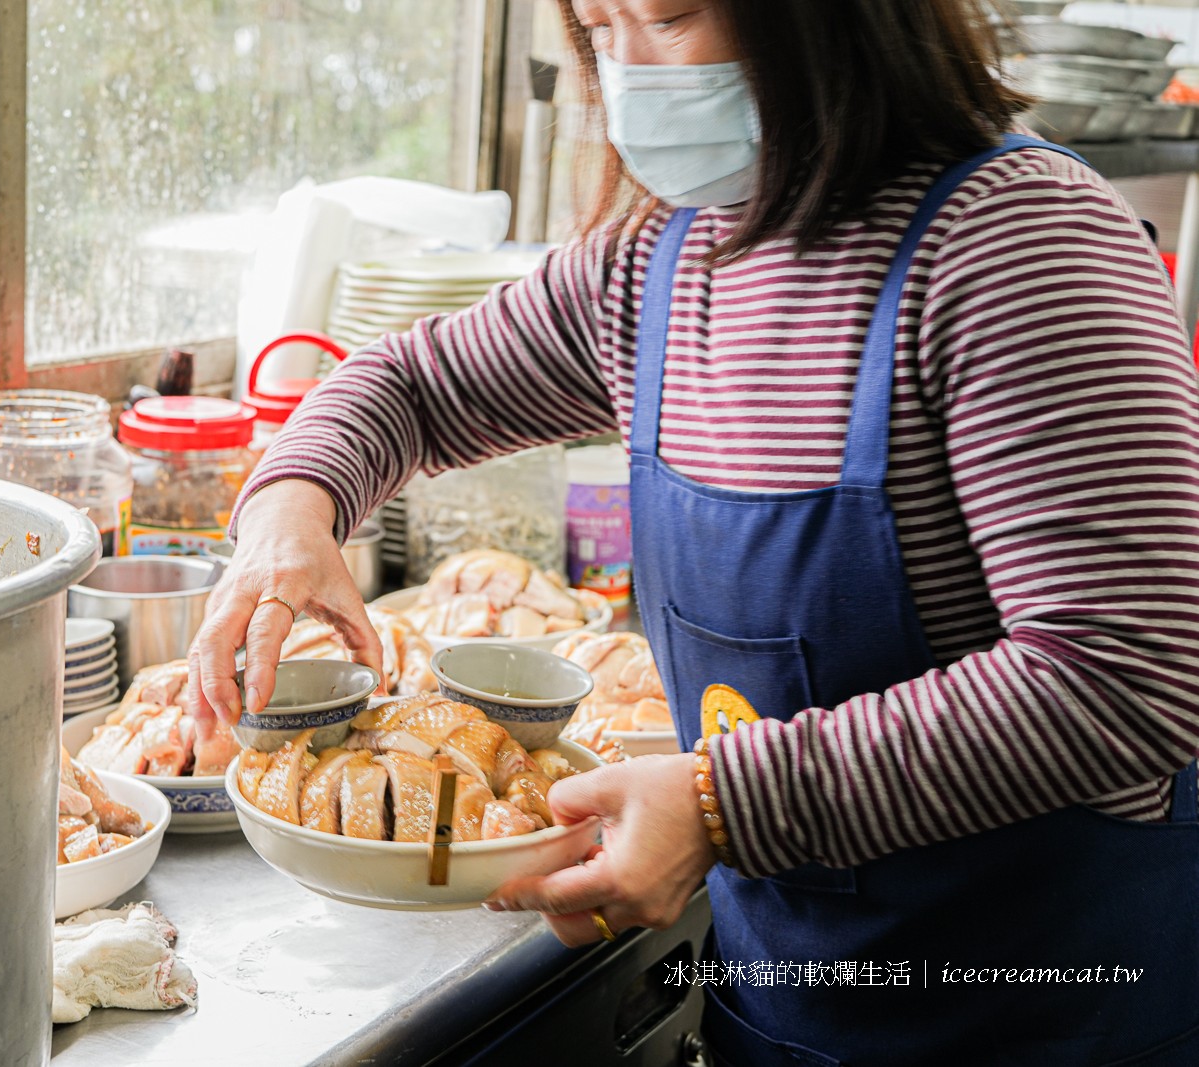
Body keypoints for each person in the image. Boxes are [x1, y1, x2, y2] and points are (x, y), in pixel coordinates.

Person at [188, 0, 1199, 1062]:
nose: (633, 73)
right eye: (599, 26)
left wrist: (723, 804)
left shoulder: (1018, 245)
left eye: (667, 16)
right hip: (788, 1015)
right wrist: (291, 509)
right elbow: (411, 385)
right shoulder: (656, 267)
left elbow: (1127, 674)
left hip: (1051, 1011)